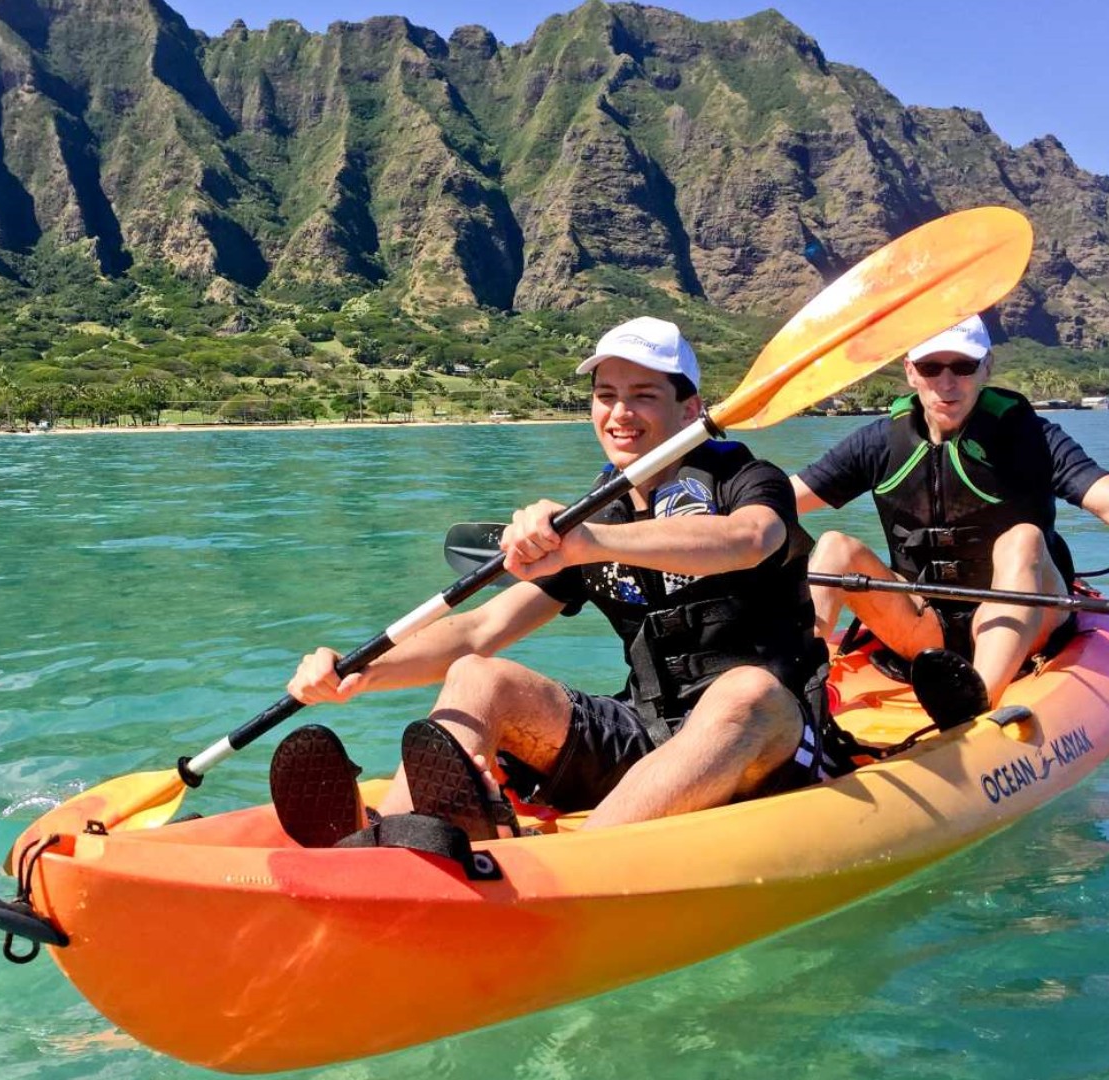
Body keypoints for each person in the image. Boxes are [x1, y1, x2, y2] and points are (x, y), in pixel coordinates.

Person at [271, 316, 831, 847]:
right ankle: (396, 841)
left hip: (771, 735)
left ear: (690, 410)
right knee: (477, 676)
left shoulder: (747, 479)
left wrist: (588, 544)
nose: (619, 412)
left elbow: (750, 539)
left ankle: (573, 868)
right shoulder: (599, 511)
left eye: (643, 395)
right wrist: (358, 672)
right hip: (648, 734)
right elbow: (480, 629)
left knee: (745, 691)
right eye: (606, 394)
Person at [791, 313, 1109, 723]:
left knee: (1023, 538)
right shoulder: (879, 442)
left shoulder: (1030, 437)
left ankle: (973, 707)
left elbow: (1102, 496)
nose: (946, 383)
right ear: (910, 372)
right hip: (925, 624)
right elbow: (777, 502)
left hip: (1030, 621)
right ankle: (796, 703)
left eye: (963, 366)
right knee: (834, 547)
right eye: (930, 368)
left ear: (986, 368)